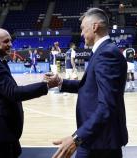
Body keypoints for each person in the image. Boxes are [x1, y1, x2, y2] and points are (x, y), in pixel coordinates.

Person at [47, 8, 128, 158]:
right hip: (96, 137)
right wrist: (61, 82)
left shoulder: (107, 53)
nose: (82, 33)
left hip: (100, 142)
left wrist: (76, 138)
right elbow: (91, 88)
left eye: (83, 29)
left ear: (95, 27)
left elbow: (107, 106)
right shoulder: (102, 51)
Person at [0, 28, 59, 158]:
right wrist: (46, 86)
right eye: (6, 41)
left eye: (10, 41)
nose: (10, 44)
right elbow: (13, 93)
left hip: (3, 126)